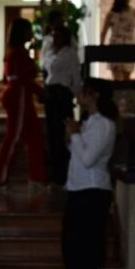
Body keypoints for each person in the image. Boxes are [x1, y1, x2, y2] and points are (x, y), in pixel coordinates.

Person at [62, 78, 117, 269]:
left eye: (83, 90)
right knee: (72, 251)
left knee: (87, 253)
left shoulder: (104, 123)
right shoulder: (89, 122)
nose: (78, 93)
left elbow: (88, 159)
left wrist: (75, 134)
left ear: (94, 96)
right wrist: (72, 137)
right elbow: (77, 155)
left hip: (92, 193)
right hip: (79, 191)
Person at [0, 18, 47, 189]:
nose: (31, 33)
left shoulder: (14, 52)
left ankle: (37, 178)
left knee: (33, 136)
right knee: (14, 137)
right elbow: (23, 79)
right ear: (22, 33)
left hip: (18, 94)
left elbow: (6, 79)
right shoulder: (19, 53)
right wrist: (42, 93)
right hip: (19, 95)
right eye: (28, 30)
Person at [43, 25, 82, 186]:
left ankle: (64, 172)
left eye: (58, 35)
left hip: (62, 94)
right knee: (52, 133)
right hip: (51, 93)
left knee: (62, 133)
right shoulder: (50, 53)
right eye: (54, 35)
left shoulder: (70, 54)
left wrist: (72, 94)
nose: (55, 38)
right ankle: (55, 171)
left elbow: (75, 77)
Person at [100, 0, 135, 81]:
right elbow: (104, 31)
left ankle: (126, 95)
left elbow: (104, 32)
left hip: (130, 46)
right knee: (117, 76)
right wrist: (101, 45)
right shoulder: (111, 14)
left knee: (126, 76)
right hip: (115, 46)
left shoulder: (133, 12)